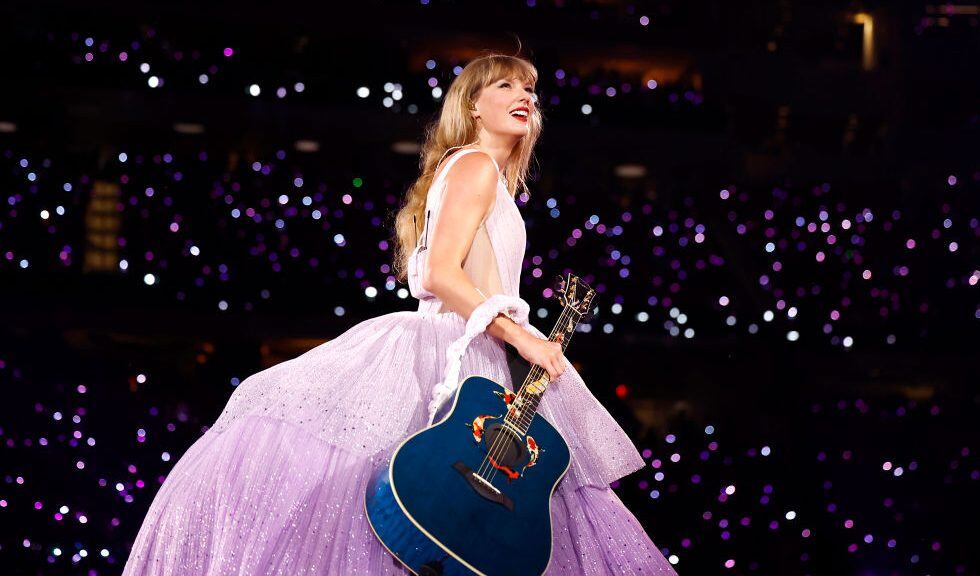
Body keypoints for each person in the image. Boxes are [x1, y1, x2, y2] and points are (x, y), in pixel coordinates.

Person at [122, 52, 676, 575]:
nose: (524, 94)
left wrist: (525, 341)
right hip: (448, 355)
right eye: (504, 84)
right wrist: (522, 338)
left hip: (479, 354)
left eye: (529, 87)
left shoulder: (487, 179)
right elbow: (439, 274)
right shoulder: (476, 165)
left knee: (457, 522)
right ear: (472, 106)